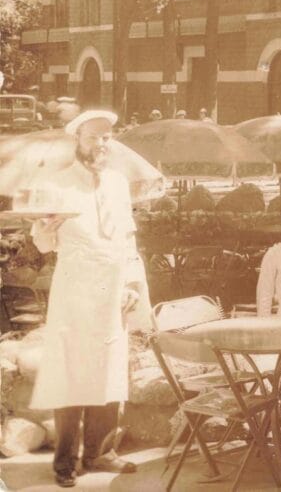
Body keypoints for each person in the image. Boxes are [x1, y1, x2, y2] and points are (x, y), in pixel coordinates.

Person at [28, 110, 143, 487]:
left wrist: (131, 284)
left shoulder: (117, 183)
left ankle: (99, 453)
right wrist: (46, 229)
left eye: (107, 136)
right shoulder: (57, 184)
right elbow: (43, 244)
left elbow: (127, 237)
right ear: (77, 139)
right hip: (75, 290)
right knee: (71, 373)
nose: (101, 144)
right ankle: (65, 463)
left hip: (111, 290)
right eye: (94, 137)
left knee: (108, 369)